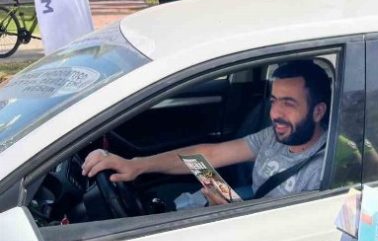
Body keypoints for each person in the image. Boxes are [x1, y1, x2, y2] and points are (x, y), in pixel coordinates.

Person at [81, 60, 331, 204]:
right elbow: (207, 156)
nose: (275, 113)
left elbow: (296, 240)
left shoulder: (326, 167)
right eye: (274, 100)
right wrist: (137, 165)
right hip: (245, 203)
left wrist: (231, 214)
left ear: (318, 112)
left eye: (288, 103)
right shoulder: (273, 136)